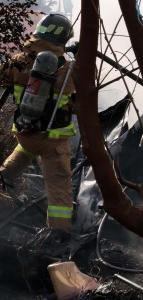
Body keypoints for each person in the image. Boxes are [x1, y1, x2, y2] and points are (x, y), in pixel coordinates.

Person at [0, 13, 76, 232]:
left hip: (24, 132)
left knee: (20, 156)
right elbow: (89, 91)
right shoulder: (68, 69)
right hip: (51, 140)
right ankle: (58, 235)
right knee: (60, 188)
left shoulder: (20, 61)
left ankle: (3, 181)